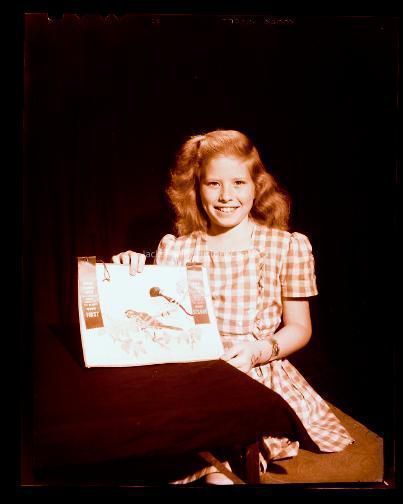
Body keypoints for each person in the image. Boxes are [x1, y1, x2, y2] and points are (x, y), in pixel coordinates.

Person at [112, 129, 353, 484]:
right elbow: (157, 316)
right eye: (213, 184)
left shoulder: (286, 246)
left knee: (222, 457)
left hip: (255, 371)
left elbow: (300, 328)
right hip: (194, 373)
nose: (227, 196)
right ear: (196, 189)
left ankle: (227, 464)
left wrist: (258, 350)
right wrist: (130, 270)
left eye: (239, 182)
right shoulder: (176, 249)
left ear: (257, 187)